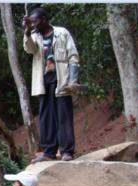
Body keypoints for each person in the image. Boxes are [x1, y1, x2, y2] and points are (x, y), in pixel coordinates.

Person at [23, 8, 80, 163]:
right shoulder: (34, 36)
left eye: (35, 21)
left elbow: (73, 56)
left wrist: (73, 80)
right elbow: (30, 49)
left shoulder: (62, 33)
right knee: (46, 117)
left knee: (64, 116)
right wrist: (27, 32)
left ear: (44, 19)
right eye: (32, 22)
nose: (33, 24)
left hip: (62, 81)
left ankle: (67, 151)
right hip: (43, 82)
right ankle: (48, 152)